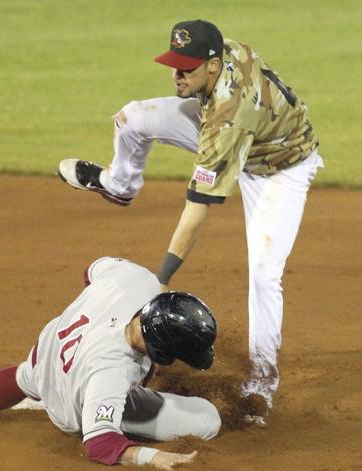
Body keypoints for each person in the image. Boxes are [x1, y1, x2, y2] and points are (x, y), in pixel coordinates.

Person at [57, 20, 324, 425]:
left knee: (265, 275)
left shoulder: (229, 115)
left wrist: (160, 278)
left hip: (277, 169)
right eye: (174, 65)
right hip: (235, 133)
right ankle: (119, 184)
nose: (176, 75)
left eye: (187, 68)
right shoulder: (221, 58)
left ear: (213, 66)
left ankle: (262, 385)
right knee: (132, 118)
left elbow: (197, 209)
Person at [0, 257, 221, 470]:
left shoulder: (139, 280)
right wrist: (153, 458)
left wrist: (95, 313)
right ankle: (77, 404)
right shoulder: (112, 373)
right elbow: (101, 446)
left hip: (47, 353)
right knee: (208, 419)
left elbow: (91, 272)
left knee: (25, 376)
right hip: (70, 407)